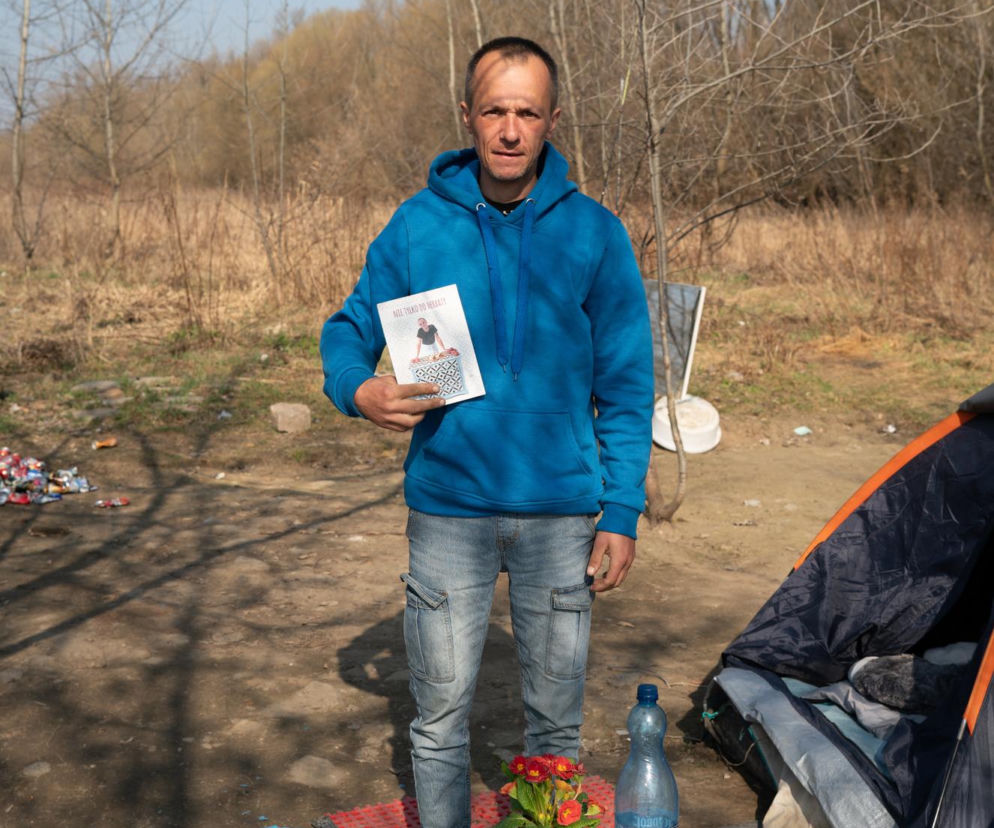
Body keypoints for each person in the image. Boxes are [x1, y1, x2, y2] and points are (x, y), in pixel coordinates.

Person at [320, 35, 653, 828]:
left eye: (527, 113)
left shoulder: (596, 235)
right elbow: (347, 327)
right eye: (495, 110)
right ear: (467, 114)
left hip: (562, 517)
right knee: (438, 726)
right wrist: (357, 389)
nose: (510, 129)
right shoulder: (416, 227)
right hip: (448, 513)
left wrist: (622, 509)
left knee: (555, 732)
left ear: (552, 120)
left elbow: (629, 386)